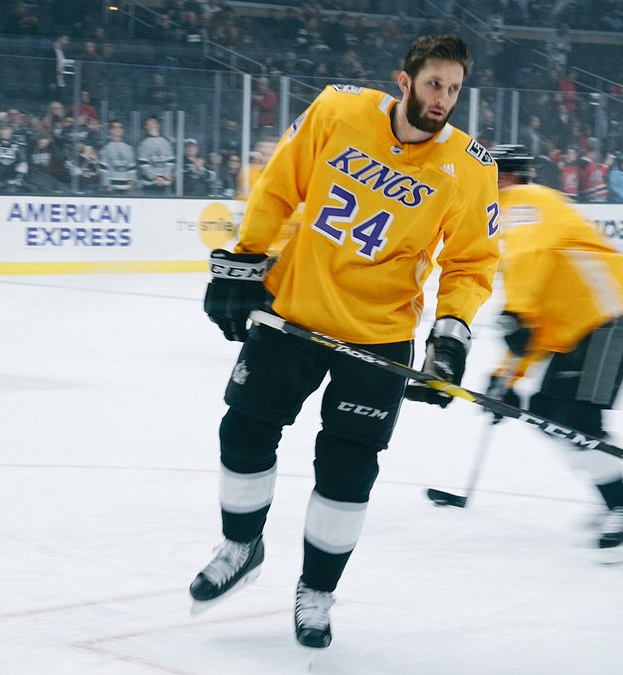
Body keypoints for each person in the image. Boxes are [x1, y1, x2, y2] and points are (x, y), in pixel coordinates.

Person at [192, 34, 500, 649]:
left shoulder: (470, 167)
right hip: (295, 313)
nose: (444, 99)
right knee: (244, 431)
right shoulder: (337, 110)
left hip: (379, 337)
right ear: (405, 81)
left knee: (347, 469)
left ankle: (318, 592)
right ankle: (240, 544)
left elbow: (470, 263)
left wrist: (452, 335)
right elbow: (280, 186)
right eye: (434, 84)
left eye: (455, 89)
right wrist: (244, 262)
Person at [485, 144, 623, 563]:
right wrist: (507, 378)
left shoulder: (524, 201)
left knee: (579, 418)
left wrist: (515, 316)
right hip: (583, 327)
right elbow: (532, 317)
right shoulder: (516, 218)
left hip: (609, 314)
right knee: (546, 409)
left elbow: (527, 272)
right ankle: (614, 489)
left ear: (501, 175)